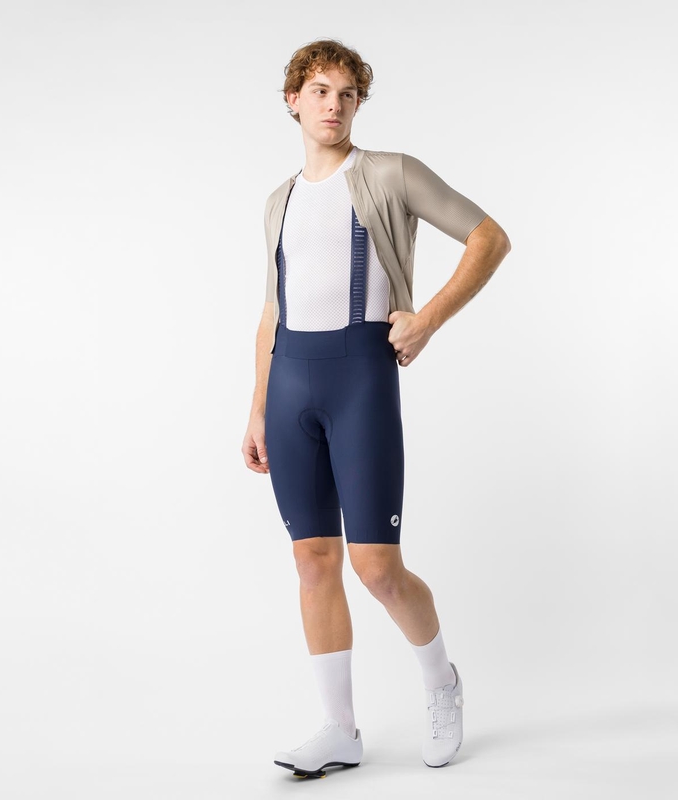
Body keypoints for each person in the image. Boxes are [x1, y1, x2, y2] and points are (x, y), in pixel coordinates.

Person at [241, 39, 511, 778]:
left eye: (347, 94)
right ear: (292, 100)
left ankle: (442, 683)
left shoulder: (389, 173)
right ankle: (338, 730)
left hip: (360, 378)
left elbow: (489, 238)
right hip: (289, 385)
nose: (333, 105)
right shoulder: (279, 200)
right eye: (319, 91)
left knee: (377, 567)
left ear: (358, 104)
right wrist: (258, 408)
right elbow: (272, 312)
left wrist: (428, 320)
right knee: (312, 561)